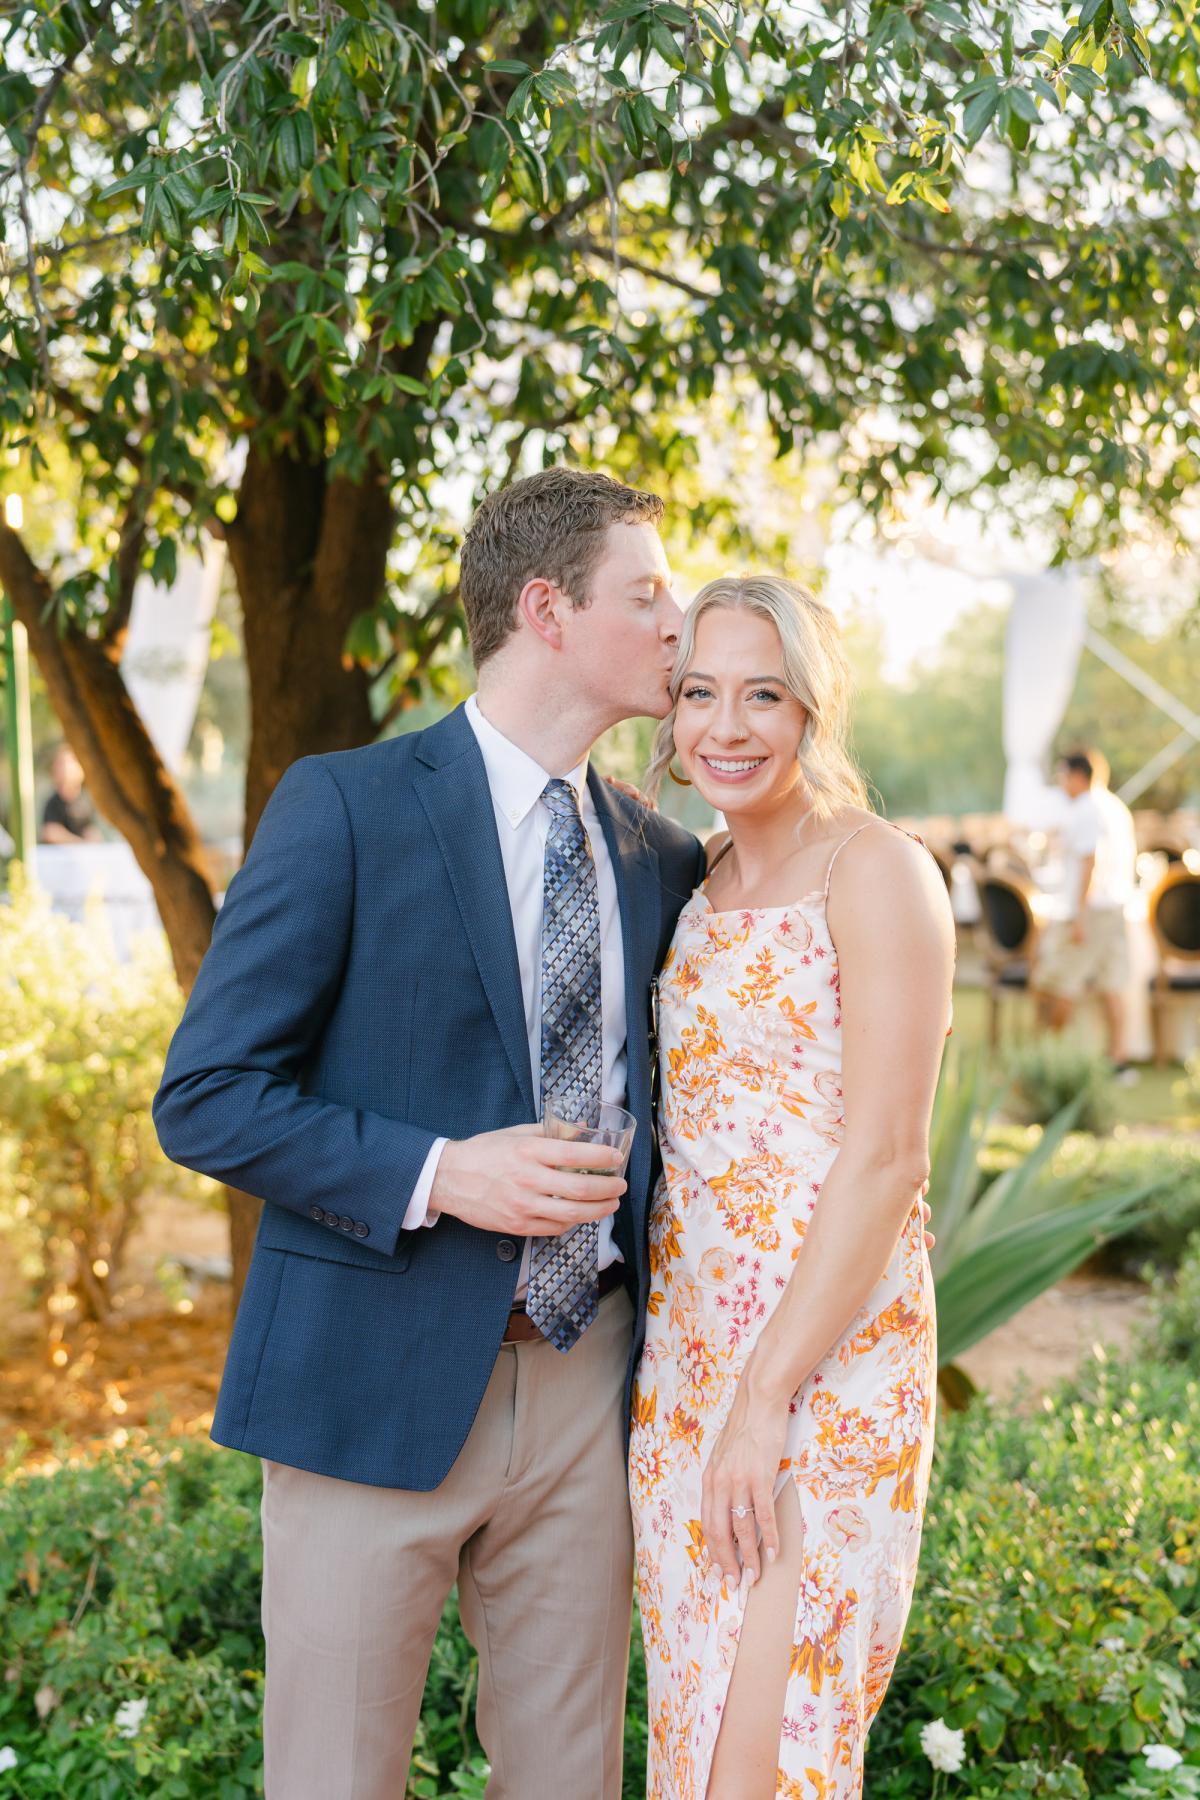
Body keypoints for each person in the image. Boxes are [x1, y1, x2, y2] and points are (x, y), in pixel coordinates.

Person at [152, 468, 707, 1800]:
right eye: (647, 595)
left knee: (570, 1781)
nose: (679, 623)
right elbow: (208, 1092)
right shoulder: (345, 806)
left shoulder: (663, 859)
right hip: (366, 1382)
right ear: (544, 610)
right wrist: (443, 1173)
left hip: (589, 1386)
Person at [629, 575, 954, 1800]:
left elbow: (887, 1160)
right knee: (692, 1742)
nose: (728, 725)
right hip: (685, 1376)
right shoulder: (695, 878)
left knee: (766, 1761)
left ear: (816, 707)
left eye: (764, 693)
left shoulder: (876, 872)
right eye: (701, 692)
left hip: (822, 1373)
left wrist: (765, 1400)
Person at [1035, 747, 1137, 1070]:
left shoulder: (1086, 809)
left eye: (1063, 775)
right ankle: (1118, 1058)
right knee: (1112, 983)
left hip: (1090, 911)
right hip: (1114, 906)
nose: (1061, 783)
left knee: (1062, 981)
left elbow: (1089, 862)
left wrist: (1079, 916)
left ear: (1079, 776)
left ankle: (1049, 1057)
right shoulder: (1115, 807)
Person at [40, 743, 102, 843]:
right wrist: (79, 843)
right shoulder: (52, 802)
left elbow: (93, 830)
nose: (63, 769)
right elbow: (50, 832)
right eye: (60, 764)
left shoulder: (87, 799)